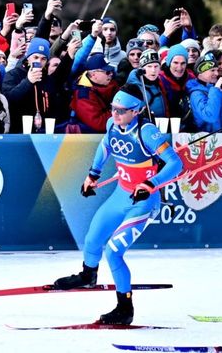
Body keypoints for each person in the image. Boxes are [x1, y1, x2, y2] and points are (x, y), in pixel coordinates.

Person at [49, 90, 183, 325]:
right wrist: (92, 175)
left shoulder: (147, 132)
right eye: (113, 108)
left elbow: (176, 163)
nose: (115, 114)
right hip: (120, 194)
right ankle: (88, 275)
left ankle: (125, 308)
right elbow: (105, 147)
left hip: (142, 203)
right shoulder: (112, 124)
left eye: (121, 111)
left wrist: (151, 183)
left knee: (113, 252)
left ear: (136, 111)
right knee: (92, 238)